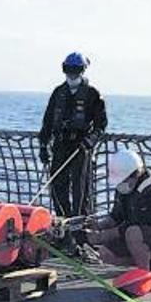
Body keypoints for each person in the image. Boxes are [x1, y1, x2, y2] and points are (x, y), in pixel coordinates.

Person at [87, 150, 151, 270]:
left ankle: (143, 274)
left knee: (133, 233)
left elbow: (134, 225)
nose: (120, 185)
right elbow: (116, 217)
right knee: (106, 254)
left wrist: (101, 237)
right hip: (142, 234)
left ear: (136, 174)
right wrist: (97, 226)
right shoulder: (125, 187)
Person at [38, 52, 108, 218]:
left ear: (82, 70)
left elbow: (101, 125)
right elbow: (47, 121)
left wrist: (90, 141)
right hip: (60, 145)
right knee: (56, 184)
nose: (71, 74)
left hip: (81, 147)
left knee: (81, 188)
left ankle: (80, 224)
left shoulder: (92, 94)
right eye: (68, 69)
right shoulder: (58, 92)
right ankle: (64, 219)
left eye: (75, 70)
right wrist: (43, 145)